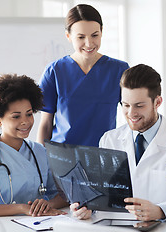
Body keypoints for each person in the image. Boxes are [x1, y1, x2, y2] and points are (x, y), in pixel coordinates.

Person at [70, 64, 166, 221]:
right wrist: (87, 207)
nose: (131, 113)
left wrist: (161, 211)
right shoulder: (109, 140)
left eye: (139, 105)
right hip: (116, 230)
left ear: (157, 102)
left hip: (164, 231)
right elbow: (98, 191)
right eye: (126, 105)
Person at [0, 74, 68, 216]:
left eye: (29, 114)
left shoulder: (39, 151)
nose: (25, 122)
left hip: (40, 225)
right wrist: (21, 208)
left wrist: (47, 204)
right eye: (16, 116)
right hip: (1, 230)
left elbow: (64, 195)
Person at [37, 4, 129, 147]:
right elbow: (46, 124)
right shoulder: (54, 71)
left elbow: (132, 113)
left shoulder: (119, 70)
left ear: (102, 32)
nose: (89, 43)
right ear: (68, 36)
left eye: (95, 35)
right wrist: (40, 161)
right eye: (81, 37)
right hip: (62, 156)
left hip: (103, 154)